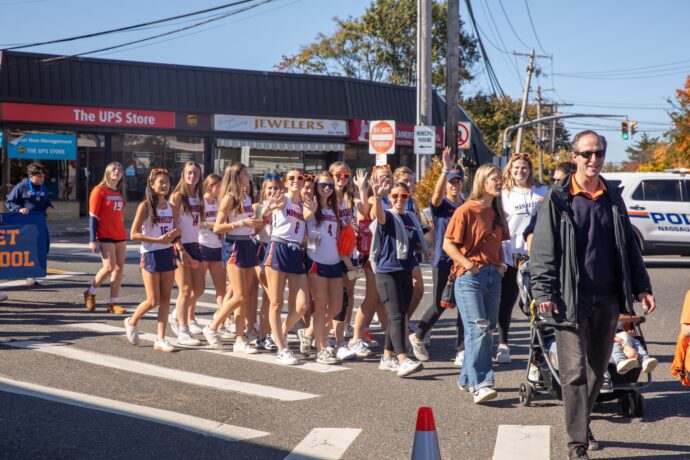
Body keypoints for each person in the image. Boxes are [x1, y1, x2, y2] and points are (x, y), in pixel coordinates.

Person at [530, 130, 655, 460]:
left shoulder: (612, 196)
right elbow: (542, 249)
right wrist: (544, 290)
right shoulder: (558, 198)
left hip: (607, 297)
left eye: (598, 152)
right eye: (586, 153)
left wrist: (642, 286)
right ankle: (577, 445)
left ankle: (582, 424)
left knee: (597, 371)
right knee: (573, 373)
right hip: (570, 299)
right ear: (574, 157)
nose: (593, 159)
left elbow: (628, 245)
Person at [443, 164, 509, 404]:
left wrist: (501, 265)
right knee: (479, 329)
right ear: (482, 181)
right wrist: (469, 265)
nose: (500, 182)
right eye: (495, 178)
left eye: (501, 178)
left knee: (485, 330)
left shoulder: (498, 211)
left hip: (493, 277)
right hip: (469, 278)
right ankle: (482, 383)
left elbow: (499, 244)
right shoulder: (466, 210)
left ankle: (465, 378)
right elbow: (448, 245)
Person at [410, 146, 466, 365]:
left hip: (462, 261)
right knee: (440, 304)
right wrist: (445, 170)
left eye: (457, 181)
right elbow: (434, 197)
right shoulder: (442, 205)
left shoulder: (466, 205)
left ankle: (461, 349)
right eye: (451, 182)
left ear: (462, 183)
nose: (454, 185)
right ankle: (419, 335)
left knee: (464, 304)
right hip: (443, 260)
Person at [369, 175, 426, 378]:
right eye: (395, 196)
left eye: (403, 195)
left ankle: (387, 357)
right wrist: (377, 196)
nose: (399, 199)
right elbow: (379, 216)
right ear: (390, 198)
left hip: (405, 270)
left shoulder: (410, 217)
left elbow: (416, 242)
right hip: (387, 272)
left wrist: (425, 244)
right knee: (397, 316)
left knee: (400, 315)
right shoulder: (389, 215)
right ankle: (402, 359)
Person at [203, 162, 261, 354]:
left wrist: (255, 226)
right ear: (236, 176)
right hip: (234, 245)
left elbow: (248, 225)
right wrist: (243, 222)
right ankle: (212, 327)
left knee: (244, 297)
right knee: (240, 295)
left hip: (247, 243)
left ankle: (239, 339)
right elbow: (218, 227)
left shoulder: (246, 196)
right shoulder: (228, 198)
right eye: (244, 173)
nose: (248, 175)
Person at [495, 153, 547, 364]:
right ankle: (503, 344)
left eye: (524, 167)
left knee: (537, 302)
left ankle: (540, 345)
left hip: (535, 255)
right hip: (510, 255)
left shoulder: (541, 191)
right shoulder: (505, 193)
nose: (520, 171)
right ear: (510, 170)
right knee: (506, 302)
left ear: (530, 169)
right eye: (516, 168)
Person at [123, 168, 180, 352]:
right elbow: (133, 234)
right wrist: (157, 240)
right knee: (152, 300)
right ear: (152, 184)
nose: (165, 185)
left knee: (165, 299)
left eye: (167, 182)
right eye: (161, 182)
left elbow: (176, 229)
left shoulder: (172, 207)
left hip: (167, 253)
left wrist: (175, 235)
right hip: (150, 254)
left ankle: (160, 339)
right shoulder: (145, 206)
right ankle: (132, 321)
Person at [264, 169, 310, 365]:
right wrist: (267, 208)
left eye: (300, 178)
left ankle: (279, 334)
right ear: (285, 182)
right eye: (292, 178)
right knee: (276, 302)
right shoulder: (282, 198)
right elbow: (263, 213)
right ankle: (282, 349)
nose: (296, 181)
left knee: (302, 304)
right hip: (279, 246)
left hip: (296, 251)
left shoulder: (304, 203)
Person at [300, 171, 344, 364]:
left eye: (330, 185)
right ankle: (321, 348)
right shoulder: (309, 204)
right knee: (320, 306)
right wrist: (311, 207)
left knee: (336, 307)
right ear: (316, 187)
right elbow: (302, 220)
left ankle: (309, 332)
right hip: (315, 259)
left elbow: (337, 237)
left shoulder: (335, 208)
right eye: (323, 185)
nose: (327, 188)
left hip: (334, 260)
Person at [328, 162, 367, 359]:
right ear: (331, 175)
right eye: (338, 174)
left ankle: (344, 328)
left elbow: (365, 211)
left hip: (350, 250)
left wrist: (361, 188)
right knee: (337, 296)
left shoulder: (350, 197)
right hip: (332, 252)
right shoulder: (327, 196)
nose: (342, 177)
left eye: (345, 174)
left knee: (349, 292)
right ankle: (324, 334)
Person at [168, 162, 205, 346]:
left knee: (199, 289)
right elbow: (172, 226)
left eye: (196, 173)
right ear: (183, 174)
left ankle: (176, 314)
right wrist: (180, 249)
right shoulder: (177, 196)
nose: (192, 176)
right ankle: (183, 330)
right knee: (185, 289)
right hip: (180, 246)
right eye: (189, 173)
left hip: (195, 245)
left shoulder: (197, 197)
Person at [84, 162, 127, 314]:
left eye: (120, 170)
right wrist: (92, 239)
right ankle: (90, 292)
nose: (117, 172)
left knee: (119, 269)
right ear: (107, 172)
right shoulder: (99, 190)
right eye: (114, 169)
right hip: (104, 234)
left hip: (120, 234)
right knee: (109, 267)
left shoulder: (120, 192)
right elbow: (93, 216)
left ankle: (113, 303)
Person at [5, 162, 53, 286]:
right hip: (26, 224)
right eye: (40, 176)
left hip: (40, 223)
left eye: (43, 176)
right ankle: (30, 274)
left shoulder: (43, 187)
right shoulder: (22, 186)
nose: (42, 179)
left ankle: (35, 268)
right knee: (28, 247)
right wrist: (19, 209)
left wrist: (48, 207)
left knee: (44, 246)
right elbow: (9, 202)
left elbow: (47, 202)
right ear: (31, 176)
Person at [198, 173, 229, 335]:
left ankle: (221, 320)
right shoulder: (200, 202)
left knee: (221, 288)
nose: (221, 188)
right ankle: (189, 318)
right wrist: (214, 224)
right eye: (219, 185)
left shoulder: (218, 203)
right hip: (202, 245)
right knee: (197, 288)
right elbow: (195, 224)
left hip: (217, 246)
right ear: (211, 186)